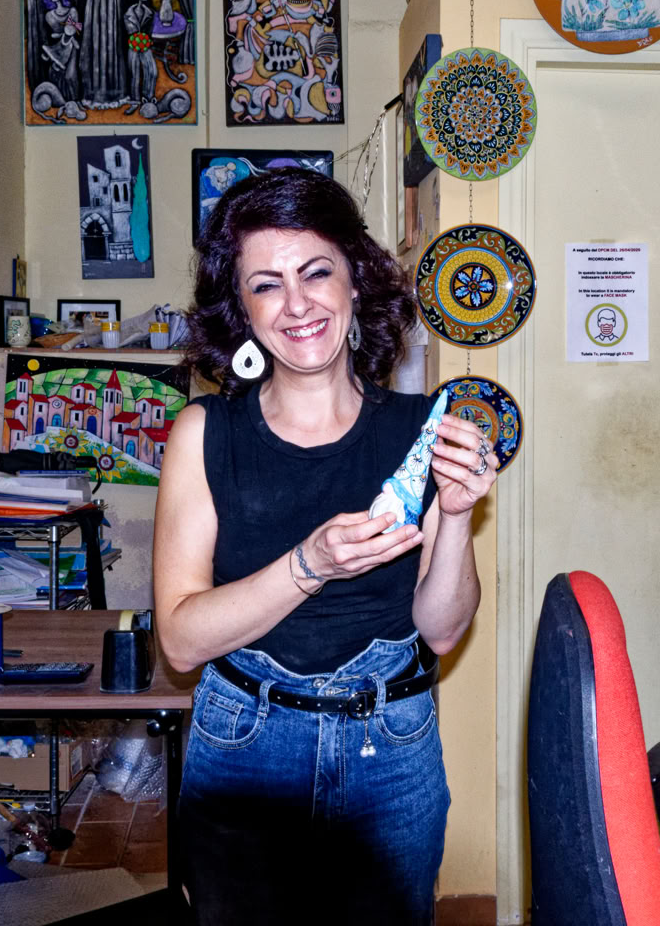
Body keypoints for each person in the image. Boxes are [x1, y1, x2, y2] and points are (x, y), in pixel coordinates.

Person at [152, 168, 498, 925]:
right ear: (241, 309)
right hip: (244, 747)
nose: (298, 303)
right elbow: (179, 640)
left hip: (392, 746)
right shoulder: (204, 434)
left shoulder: (421, 429)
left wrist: (457, 516)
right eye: (266, 285)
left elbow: (442, 630)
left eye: (316, 272)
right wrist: (309, 565)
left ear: (355, 282)